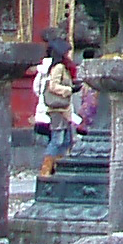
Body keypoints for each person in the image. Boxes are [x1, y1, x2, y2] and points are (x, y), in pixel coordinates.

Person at [32, 38, 82, 186]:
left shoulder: (51, 67)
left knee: (65, 140)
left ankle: (56, 168)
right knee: (58, 139)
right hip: (58, 109)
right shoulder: (59, 67)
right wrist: (69, 90)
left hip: (60, 109)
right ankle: (46, 170)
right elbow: (53, 86)